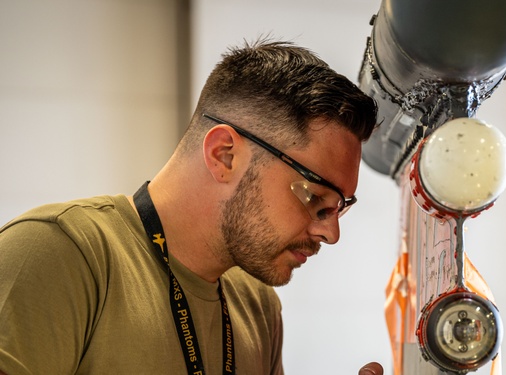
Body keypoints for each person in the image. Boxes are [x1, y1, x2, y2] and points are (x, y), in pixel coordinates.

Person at [0, 39, 382, 375]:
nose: (330, 234)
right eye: (315, 197)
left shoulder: (257, 306)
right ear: (224, 155)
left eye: (339, 207)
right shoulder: (58, 253)